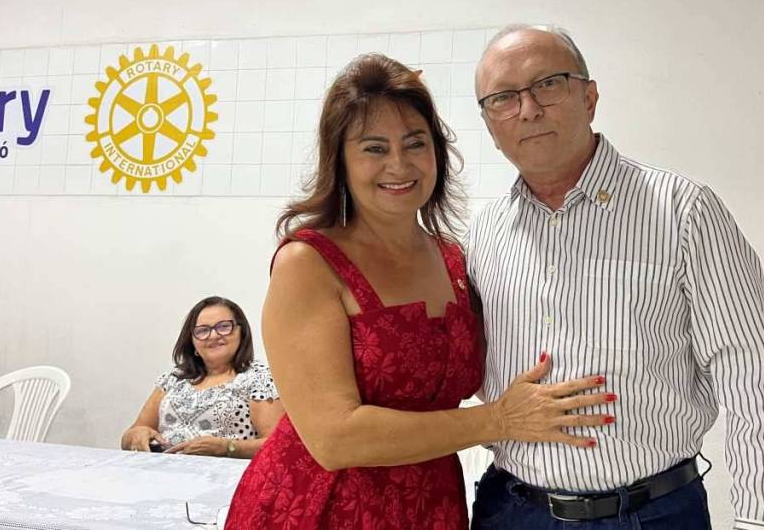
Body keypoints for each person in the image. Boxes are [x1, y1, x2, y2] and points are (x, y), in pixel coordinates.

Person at [225, 53, 615, 530]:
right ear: (340, 160)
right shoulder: (308, 263)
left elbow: (497, 362)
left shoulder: (453, 259)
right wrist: (499, 420)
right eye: (374, 148)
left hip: (431, 506)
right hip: (325, 506)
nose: (399, 164)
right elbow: (333, 438)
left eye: (415, 143)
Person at [465, 25, 764, 529]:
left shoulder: (684, 211)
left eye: (548, 84)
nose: (527, 109)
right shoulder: (484, 233)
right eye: (503, 98)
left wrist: (763, 523)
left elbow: (752, 382)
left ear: (590, 97)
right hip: (511, 510)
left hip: (648, 514)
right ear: (490, 125)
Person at [120, 296, 284, 458]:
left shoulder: (259, 379)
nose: (213, 336)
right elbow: (129, 436)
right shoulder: (173, 378)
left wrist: (227, 448)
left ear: (242, 333)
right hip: (163, 469)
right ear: (192, 340)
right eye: (202, 330)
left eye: (224, 327)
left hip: (226, 472)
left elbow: (279, 445)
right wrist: (136, 435)